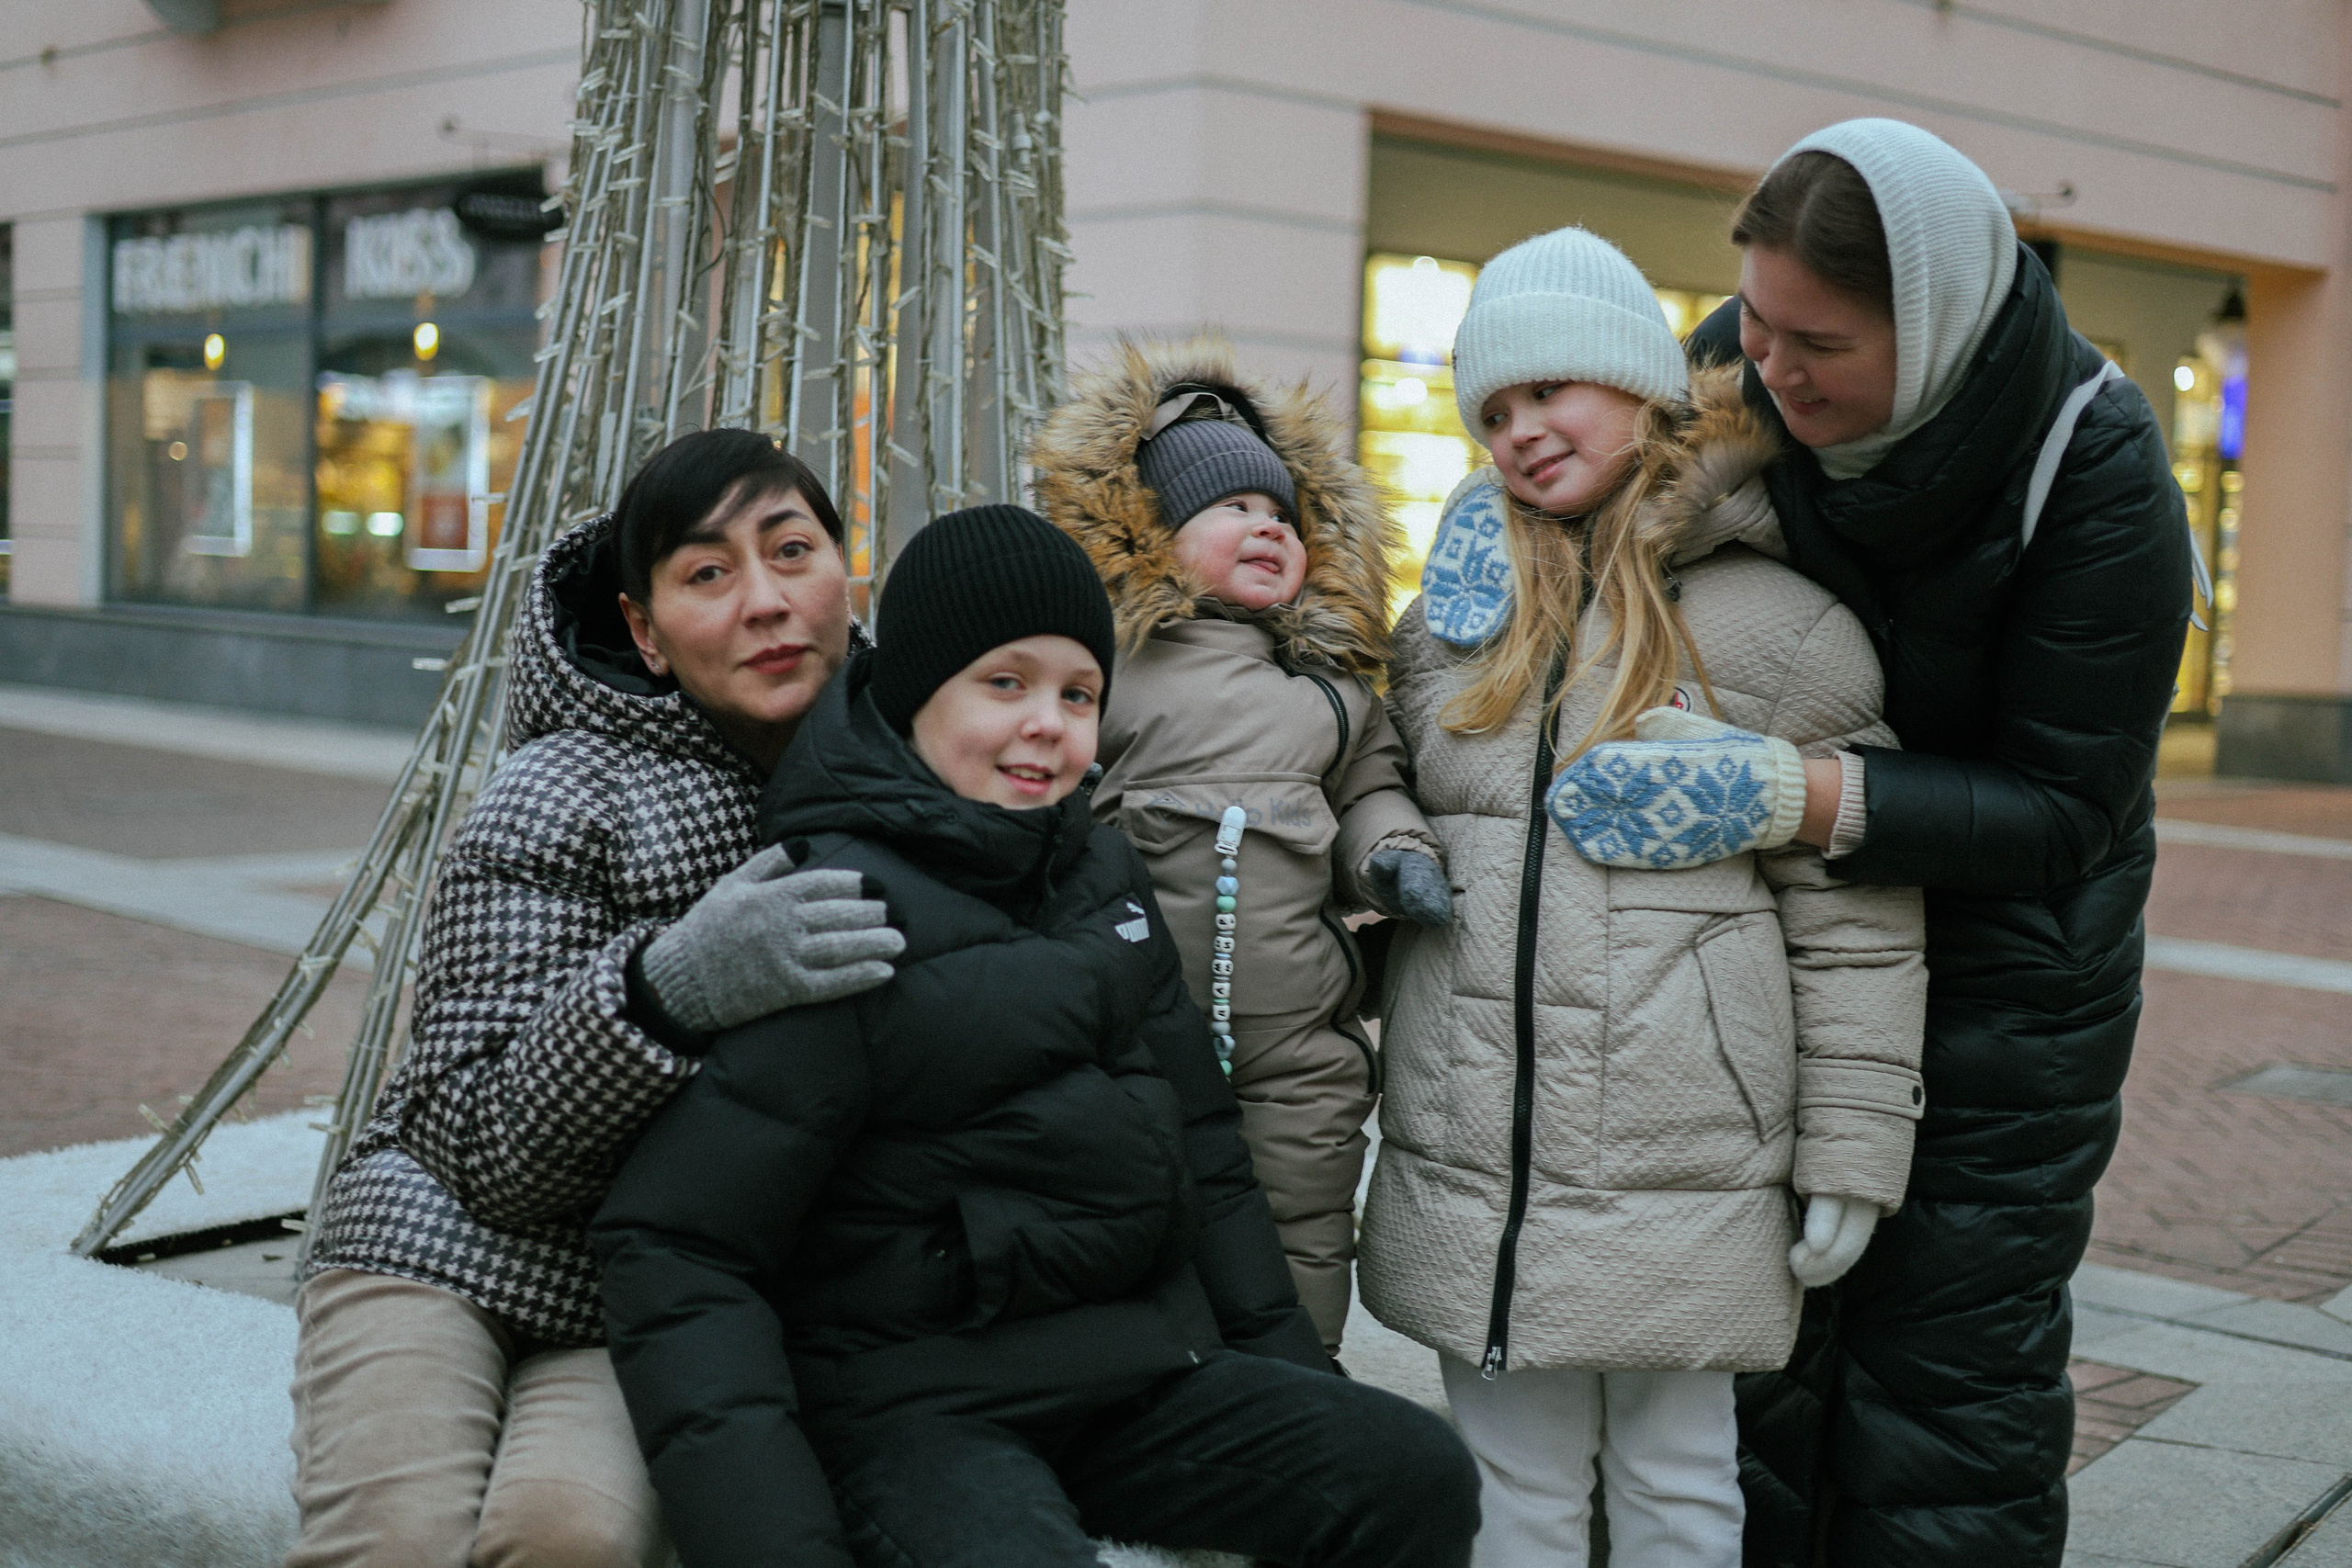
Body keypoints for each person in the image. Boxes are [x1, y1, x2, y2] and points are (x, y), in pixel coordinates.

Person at [589, 504, 1483, 1568]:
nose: (1047, 724)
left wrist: (1297, 1392)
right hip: (913, 1412)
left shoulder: (1096, 872)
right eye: (1003, 684)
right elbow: (678, 1246)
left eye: (1078, 694)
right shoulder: (832, 904)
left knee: (1408, 1472)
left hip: (1129, 1378)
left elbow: (1204, 1146)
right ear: (920, 692)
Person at [1553, 120, 2194, 1566]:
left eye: (1818, 343)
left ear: (1941, 318)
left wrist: (1802, 794)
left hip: (2010, 977)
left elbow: (2069, 810)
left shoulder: (2094, 469)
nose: (1769, 367)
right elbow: (1589, 510)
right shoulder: (1744, 360)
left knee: (1946, 1377)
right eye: (1755, 323)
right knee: (1749, 1362)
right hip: (1786, 950)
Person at [1355, 226, 1930, 1568]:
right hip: (1480, 1153)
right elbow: (1374, 776)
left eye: (1551, 388)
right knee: (1512, 1490)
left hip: (1687, 1154)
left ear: (1639, 383)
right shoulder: (1446, 634)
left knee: (1679, 1482)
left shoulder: (1776, 627)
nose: (1520, 430)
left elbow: (1855, 920)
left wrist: (1851, 1144)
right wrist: (1383, 833)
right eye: (1493, 409)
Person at [288, 430, 904, 1568]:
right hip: (436, 1240)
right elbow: (486, 1153)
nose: (766, 601)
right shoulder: (555, 790)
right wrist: (667, 988)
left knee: (567, 1538)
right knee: (396, 1541)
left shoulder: (908, 775)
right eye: (708, 574)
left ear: (844, 574)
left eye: (793, 551)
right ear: (644, 630)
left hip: (652, 1294)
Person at [1027, 339, 1449, 1354]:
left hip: (1297, 1034)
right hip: (1137, 1021)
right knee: (1134, 1211)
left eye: (1281, 517)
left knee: (1301, 1221)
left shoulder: (1334, 691)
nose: (1265, 527)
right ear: (1151, 538)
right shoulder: (1111, 666)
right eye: (1230, 511)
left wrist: (1392, 851)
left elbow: (1370, 790)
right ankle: (1148, 1384)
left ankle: (1292, 1387)